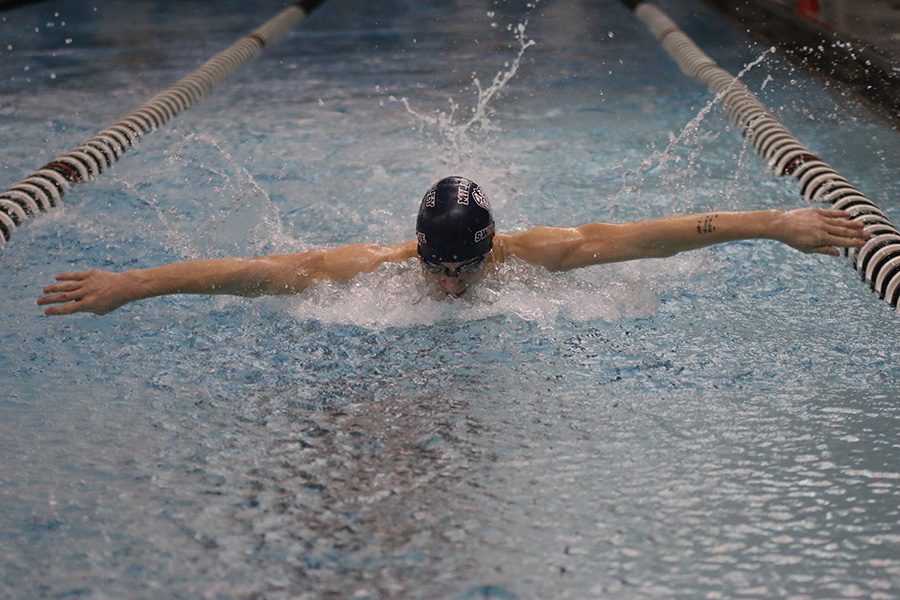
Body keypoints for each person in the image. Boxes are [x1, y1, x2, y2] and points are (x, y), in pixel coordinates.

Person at [37, 175, 869, 316]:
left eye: (464, 267)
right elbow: (253, 273)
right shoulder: (372, 269)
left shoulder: (546, 254)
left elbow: (657, 239)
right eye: (436, 267)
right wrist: (134, 283)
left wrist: (778, 222)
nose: (446, 285)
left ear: (490, 249)